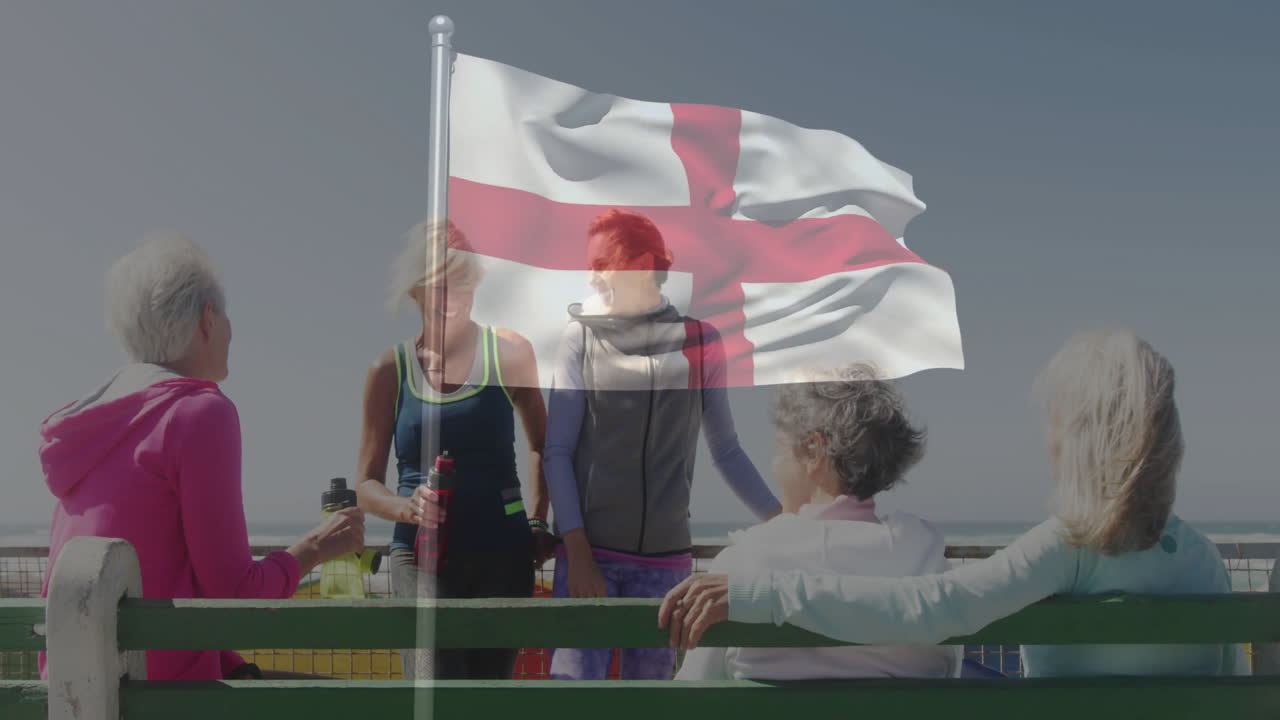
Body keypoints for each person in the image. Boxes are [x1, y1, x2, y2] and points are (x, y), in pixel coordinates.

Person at [661, 330, 1247, 678]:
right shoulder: (1203, 560)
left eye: (1057, 423)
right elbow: (1233, 677)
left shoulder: (1070, 544)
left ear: (1086, 440)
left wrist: (765, 595)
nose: (1048, 441)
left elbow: (933, 608)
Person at [38, 231, 365, 682]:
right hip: (160, 694)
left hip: (76, 690)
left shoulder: (92, 423)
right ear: (208, 320)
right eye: (226, 317)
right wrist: (315, 548)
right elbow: (235, 595)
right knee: (361, 704)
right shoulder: (198, 412)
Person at [545, 209, 782, 681]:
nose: (591, 277)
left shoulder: (701, 341)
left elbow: (727, 451)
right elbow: (557, 452)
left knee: (651, 705)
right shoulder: (580, 337)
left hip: (665, 566)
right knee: (571, 702)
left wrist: (786, 525)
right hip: (591, 558)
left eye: (601, 264)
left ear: (640, 265)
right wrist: (578, 552)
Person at [355, 219, 552, 680]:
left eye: (463, 282)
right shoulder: (389, 370)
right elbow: (365, 484)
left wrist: (538, 520)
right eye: (440, 284)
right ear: (415, 290)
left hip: (503, 553)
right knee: (435, 691)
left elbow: (544, 445)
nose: (453, 297)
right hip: (419, 557)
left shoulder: (511, 353)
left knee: (488, 696)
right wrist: (406, 507)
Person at [674, 364, 960, 681]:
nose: (775, 467)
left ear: (814, 451)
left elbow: (693, 690)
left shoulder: (742, 566)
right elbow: (948, 666)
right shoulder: (926, 557)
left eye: (779, 451)